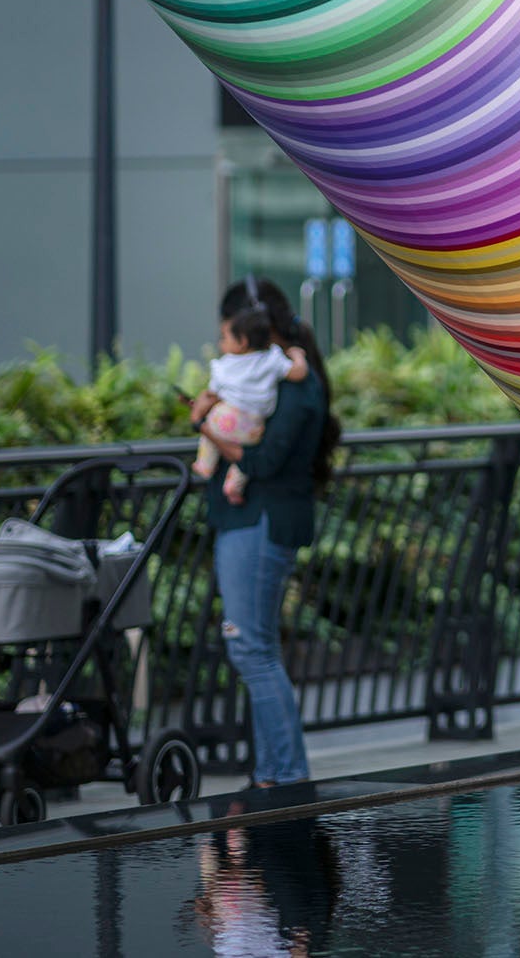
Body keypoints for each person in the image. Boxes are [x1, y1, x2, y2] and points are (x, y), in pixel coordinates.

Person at [195, 275, 340, 788]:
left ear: (254, 332)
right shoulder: (276, 380)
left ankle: (284, 775)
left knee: (251, 650)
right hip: (253, 522)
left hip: (260, 524)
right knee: (257, 649)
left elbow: (263, 457)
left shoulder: (294, 386)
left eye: (227, 334)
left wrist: (208, 427)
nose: (222, 345)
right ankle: (276, 773)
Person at [195, 302, 304, 502]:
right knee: (246, 456)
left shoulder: (224, 365)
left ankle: (205, 464)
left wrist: (199, 408)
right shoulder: (273, 358)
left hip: (223, 420)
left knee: (209, 432)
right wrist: (298, 356)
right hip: (252, 428)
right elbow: (298, 373)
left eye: (224, 338)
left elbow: (212, 395)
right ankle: (234, 484)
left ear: (242, 341)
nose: (221, 343)